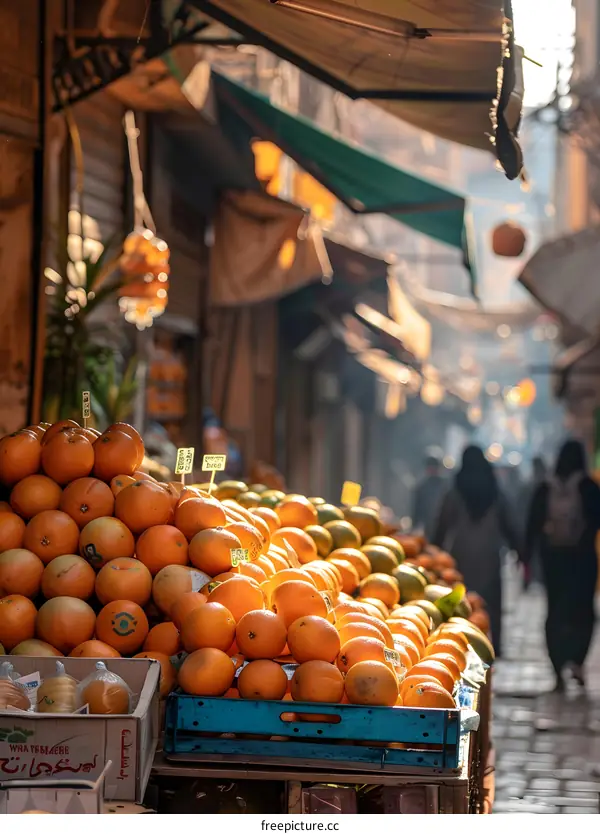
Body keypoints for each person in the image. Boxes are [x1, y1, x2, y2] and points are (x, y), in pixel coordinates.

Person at [524, 440, 600, 690]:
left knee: (555, 611)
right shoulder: (589, 487)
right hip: (583, 560)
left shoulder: (546, 488)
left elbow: (532, 525)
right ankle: (577, 661)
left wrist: (525, 558)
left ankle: (557, 667)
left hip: (553, 559)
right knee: (583, 611)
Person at [432, 446, 519, 657]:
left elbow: (441, 525)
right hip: (490, 554)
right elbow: (510, 524)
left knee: (463, 601)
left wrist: (434, 553)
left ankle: (461, 639)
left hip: (461, 555)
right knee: (492, 603)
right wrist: (520, 550)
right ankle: (494, 645)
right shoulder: (495, 492)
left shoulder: (456, 490)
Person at [520, 457, 547, 589]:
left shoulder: (528, 486)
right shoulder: (548, 487)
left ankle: (530, 578)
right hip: (547, 533)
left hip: (530, 526)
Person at [412, 455, 447, 543]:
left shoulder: (446, 486)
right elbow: (417, 510)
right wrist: (415, 527)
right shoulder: (422, 487)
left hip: (443, 527)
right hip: (428, 527)